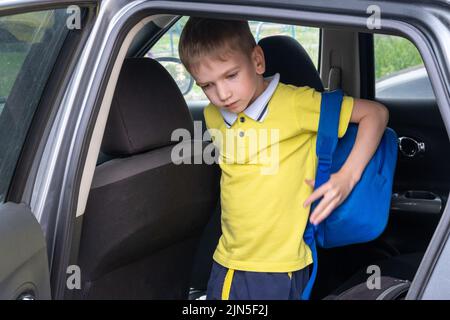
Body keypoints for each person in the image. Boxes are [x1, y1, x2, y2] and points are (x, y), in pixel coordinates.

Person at [178, 17, 389, 300]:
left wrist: (347, 177)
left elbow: (375, 114)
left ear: (257, 61)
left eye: (231, 76)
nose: (222, 94)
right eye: (207, 86)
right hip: (228, 261)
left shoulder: (296, 104)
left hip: (281, 267)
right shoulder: (212, 115)